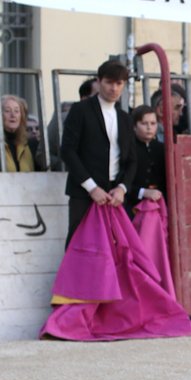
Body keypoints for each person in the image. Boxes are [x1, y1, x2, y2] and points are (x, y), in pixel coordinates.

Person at [59, 59, 137, 247]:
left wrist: (122, 188)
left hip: (114, 193)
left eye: (119, 83)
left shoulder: (125, 118)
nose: (114, 88)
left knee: (113, 247)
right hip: (83, 192)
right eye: (109, 82)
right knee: (78, 243)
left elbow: (132, 159)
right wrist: (91, 187)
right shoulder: (80, 110)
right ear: (99, 81)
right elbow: (68, 150)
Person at [126, 105, 165, 218]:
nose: (149, 128)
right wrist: (142, 192)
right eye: (144, 123)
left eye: (153, 123)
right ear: (134, 126)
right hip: (133, 205)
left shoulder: (161, 148)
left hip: (159, 204)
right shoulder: (128, 148)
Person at [2, 94, 46, 172]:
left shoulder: (31, 145)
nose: (13, 115)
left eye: (16, 111)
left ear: (21, 116)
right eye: (7, 111)